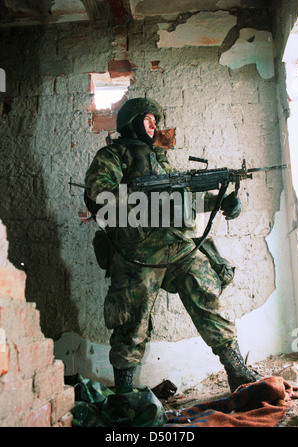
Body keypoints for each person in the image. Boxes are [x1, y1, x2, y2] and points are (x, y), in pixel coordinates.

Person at [84, 97, 261, 393]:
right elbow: (100, 196)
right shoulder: (113, 154)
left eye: (156, 121)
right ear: (131, 122)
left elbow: (181, 200)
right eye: (148, 120)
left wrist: (220, 201)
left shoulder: (160, 157)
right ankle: (125, 395)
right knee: (131, 321)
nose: (154, 126)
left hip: (178, 245)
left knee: (208, 296)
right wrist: (144, 199)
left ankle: (237, 371)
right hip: (137, 253)